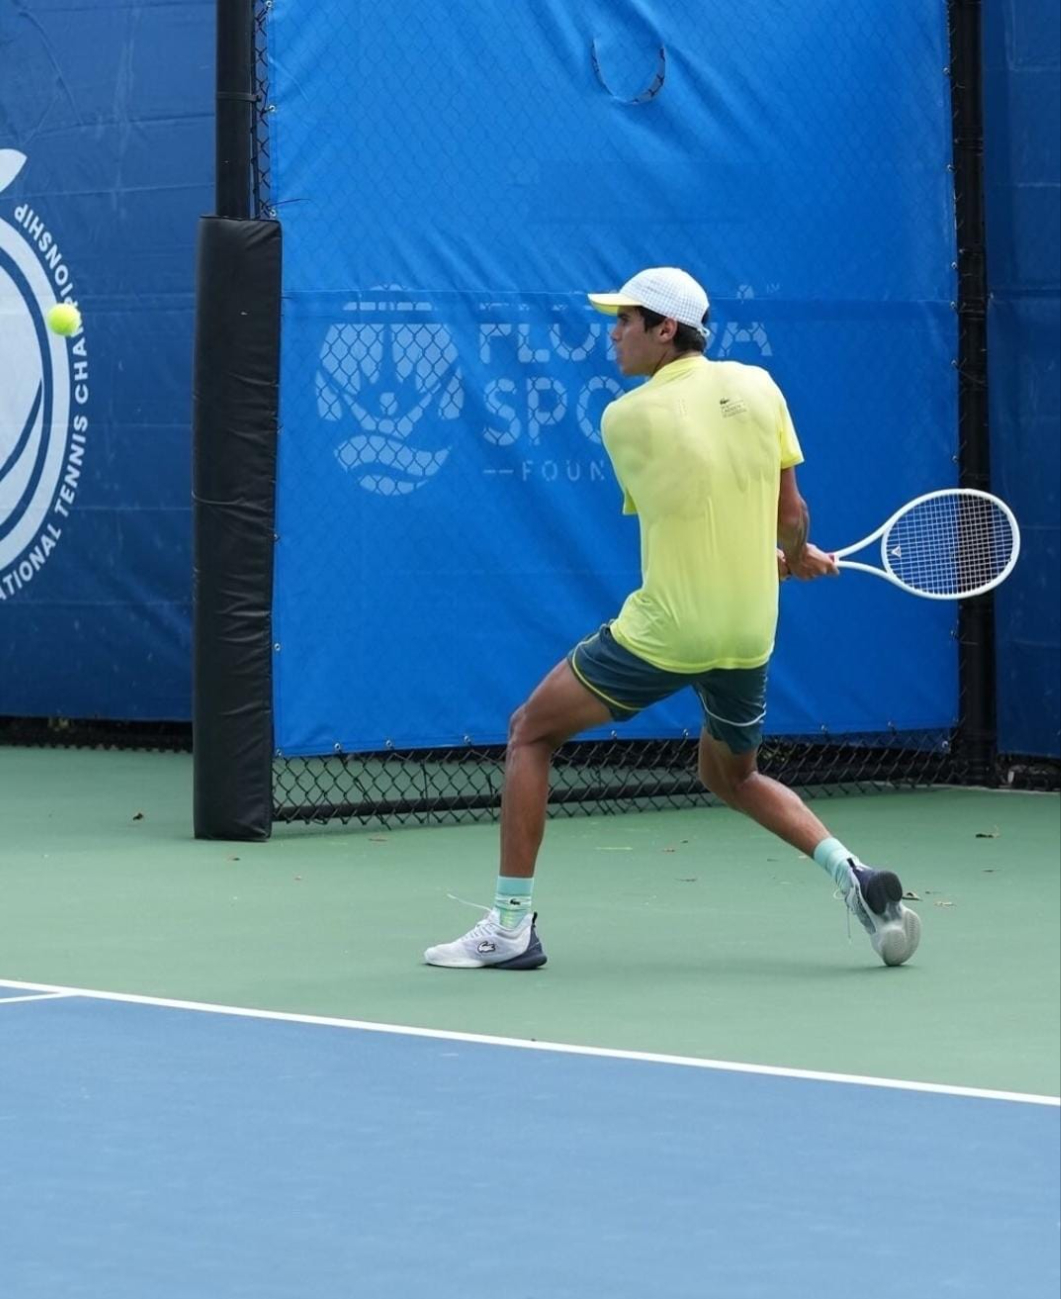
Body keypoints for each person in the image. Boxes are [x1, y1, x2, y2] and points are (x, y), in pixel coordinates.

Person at [424, 267, 921, 971]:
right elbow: (789, 515)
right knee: (731, 776)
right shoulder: (759, 386)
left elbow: (682, 517)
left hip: (669, 629)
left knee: (528, 731)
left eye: (626, 320)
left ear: (665, 330)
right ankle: (856, 877)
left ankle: (509, 927)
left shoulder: (625, 418)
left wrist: (778, 551)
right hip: (749, 629)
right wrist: (792, 554)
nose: (612, 333)